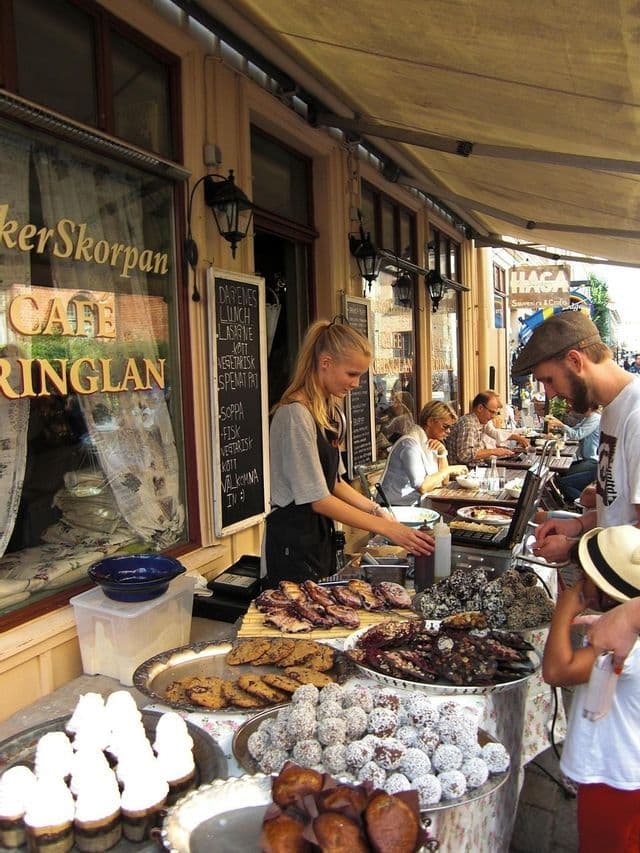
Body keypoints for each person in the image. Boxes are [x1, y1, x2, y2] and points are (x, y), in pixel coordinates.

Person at [264, 319, 434, 586]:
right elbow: (318, 498)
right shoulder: (294, 415)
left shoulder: (330, 412)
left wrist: (376, 509)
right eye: (352, 374)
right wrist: (388, 528)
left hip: (319, 536)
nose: (356, 384)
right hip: (292, 542)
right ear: (325, 363)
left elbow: (334, 483)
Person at [511, 310, 640, 564]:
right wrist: (579, 524)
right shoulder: (613, 409)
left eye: (549, 380)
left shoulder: (636, 416)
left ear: (575, 361)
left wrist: (573, 550)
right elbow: (618, 509)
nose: (549, 394)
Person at [543, 525, 640, 853]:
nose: (578, 580)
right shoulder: (625, 630)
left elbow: (557, 670)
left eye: (584, 576)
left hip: (614, 777)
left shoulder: (625, 645)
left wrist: (565, 608)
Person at [378, 401, 468, 506]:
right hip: (395, 507)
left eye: (450, 428)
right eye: (445, 426)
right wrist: (450, 469)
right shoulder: (410, 444)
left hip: (414, 505)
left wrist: (442, 453)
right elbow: (422, 487)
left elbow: (444, 481)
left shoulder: (431, 442)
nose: (448, 431)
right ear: (430, 421)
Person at [445, 391, 518, 466]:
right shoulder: (468, 423)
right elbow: (464, 455)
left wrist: (502, 450)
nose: (493, 416)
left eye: (495, 413)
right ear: (480, 408)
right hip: (465, 472)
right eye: (492, 412)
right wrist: (493, 451)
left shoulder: (479, 422)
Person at [546, 405, 601, 501]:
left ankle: (583, 503)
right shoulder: (589, 417)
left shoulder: (595, 418)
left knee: (562, 480)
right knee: (560, 474)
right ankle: (568, 501)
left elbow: (577, 435)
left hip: (593, 461)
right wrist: (558, 431)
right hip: (586, 459)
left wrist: (561, 425)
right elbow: (575, 430)